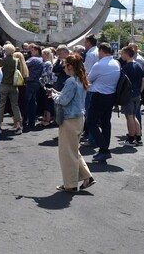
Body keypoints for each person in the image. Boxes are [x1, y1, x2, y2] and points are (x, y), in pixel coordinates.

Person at [49, 54, 95, 192]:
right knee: (73, 150)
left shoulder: (71, 81)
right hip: (79, 118)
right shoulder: (81, 79)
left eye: (64, 65)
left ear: (70, 66)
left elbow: (63, 101)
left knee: (67, 153)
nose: (63, 68)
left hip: (69, 120)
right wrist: (58, 94)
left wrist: (54, 96)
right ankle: (86, 177)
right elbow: (70, 97)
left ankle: (70, 184)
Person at [86, 42, 121, 162]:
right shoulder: (116, 63)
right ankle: (103, 150)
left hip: (99, 96)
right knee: (106, 123)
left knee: (91, 122)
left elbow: (89, 79)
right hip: (111, 96)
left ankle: (104, 149)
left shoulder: (99, 64)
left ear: (101, 51)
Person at [119, 46, 143, 147]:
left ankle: (131, 139)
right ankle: (138, 138)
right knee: (133, 116)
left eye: (122, 53)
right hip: (137, 94)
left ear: (127, 54)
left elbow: (121, 82)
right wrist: (140, 91)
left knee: (129, 117)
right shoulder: (138, 65)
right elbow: (143, 80)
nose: (121, 55)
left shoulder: (126, 68)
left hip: (128, 95)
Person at [0, 44, 22, 132]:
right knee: (15, 105)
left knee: (1, 105)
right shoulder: (17, 61)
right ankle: (18, 124)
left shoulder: (1, 60)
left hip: (3, 84)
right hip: (13, 85)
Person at [24, 44, 44, 130]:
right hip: (36, 82)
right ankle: (31, 122)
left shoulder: (33, 59)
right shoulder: (41, 59)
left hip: (30, 82)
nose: (30, 52)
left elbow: (23, 65)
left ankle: (24, 121)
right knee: (33, 102)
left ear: (37, 51)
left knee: (26, 103)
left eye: (32, 50)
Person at [38, 47, 56, 127]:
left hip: (46, 84)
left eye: (43, 54)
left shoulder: (47, 63)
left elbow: (46, 74)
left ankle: (47, 119)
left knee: (47, 102)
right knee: (45, 101)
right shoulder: (48, 62)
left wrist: (41, 80)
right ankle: (45, 118)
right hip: (47, 83)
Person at [12, 51, 30, 127]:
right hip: (23, 87)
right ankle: (21, 122)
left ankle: (16, 123)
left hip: (15, 86)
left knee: (14, 105)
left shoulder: (15, 67)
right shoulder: (25, 68)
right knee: (21, 105)